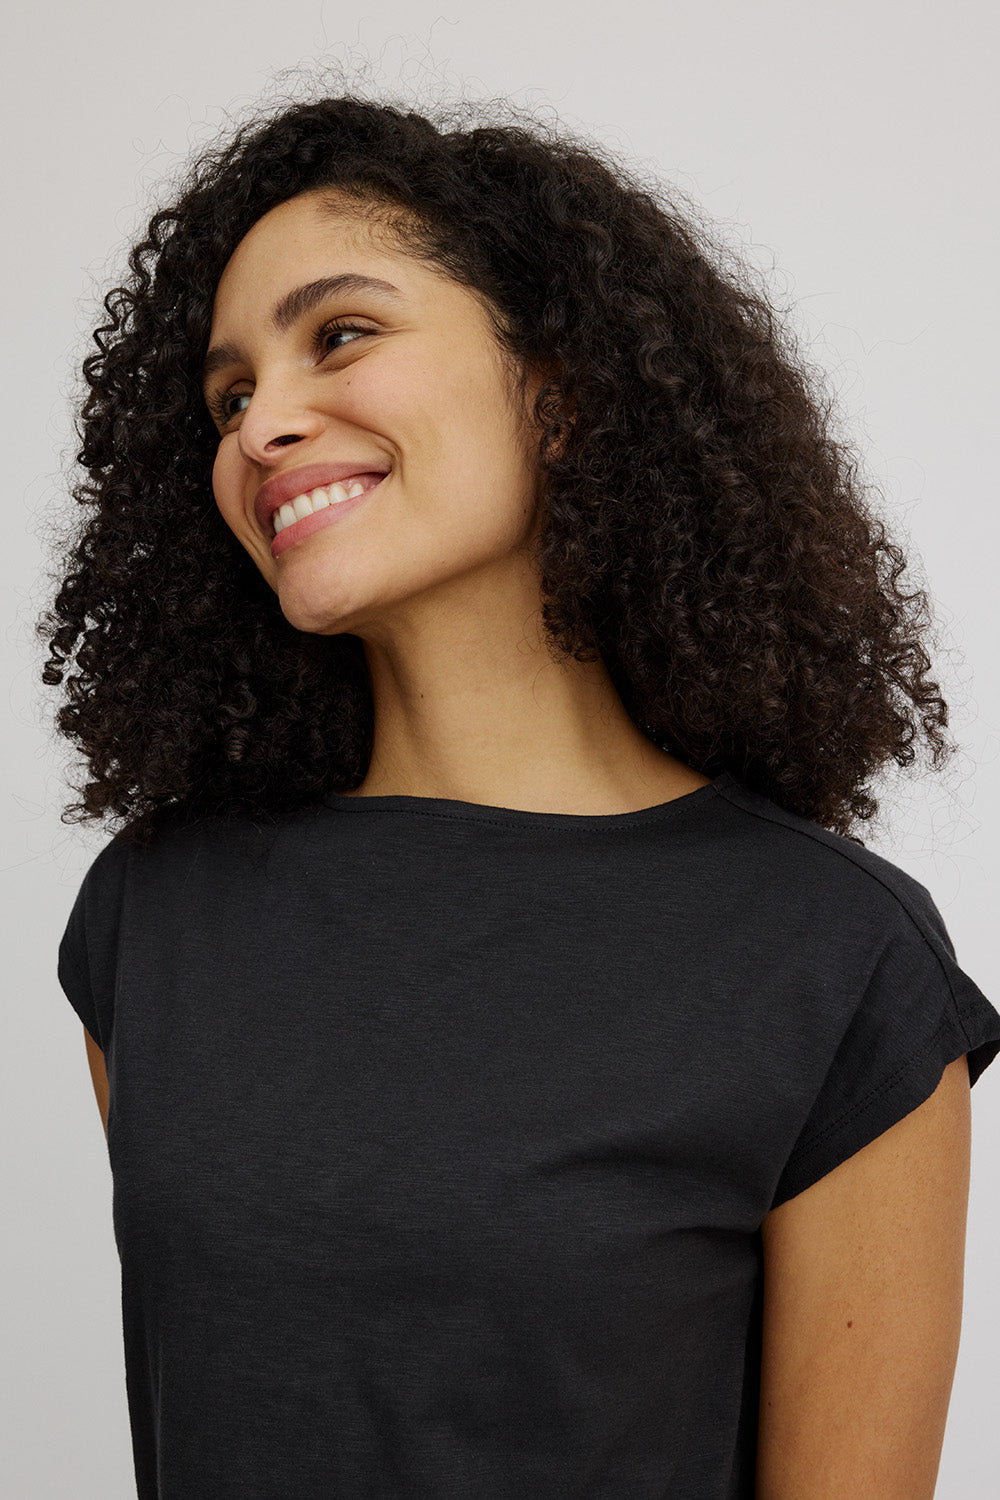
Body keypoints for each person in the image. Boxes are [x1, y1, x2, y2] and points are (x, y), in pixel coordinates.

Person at [41, 92, 1000, 1500]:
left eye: (340, 336)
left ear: (562, 392)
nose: (263, 426)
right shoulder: (156, 915)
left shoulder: (834, 960)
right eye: (229, 396)